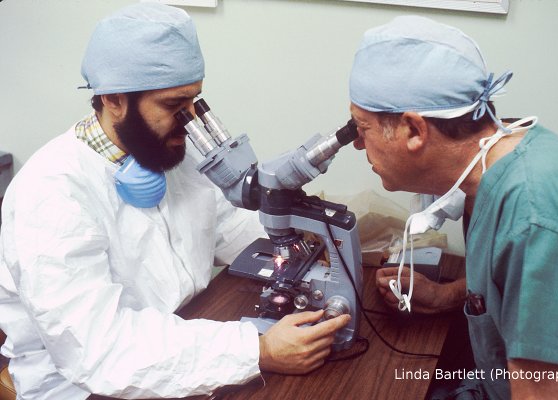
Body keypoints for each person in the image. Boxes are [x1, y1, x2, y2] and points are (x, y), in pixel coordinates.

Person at [0, 3, 350, 399]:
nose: (188, 122)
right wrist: (257, 349)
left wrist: (302, 240)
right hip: (82, 383)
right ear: (114, 99)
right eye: (172, 106)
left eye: (194, 104)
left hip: (186, 336)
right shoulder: (50, 194)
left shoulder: (169, 153)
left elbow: (232, 229)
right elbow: (99, 349)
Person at [349, 16, 558, 400]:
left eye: (361, 128)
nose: (357, 146)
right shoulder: (500, 154)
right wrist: (447, 296)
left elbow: (546, 393)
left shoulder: (533, 216)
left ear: (414, 130)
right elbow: (519, 287)